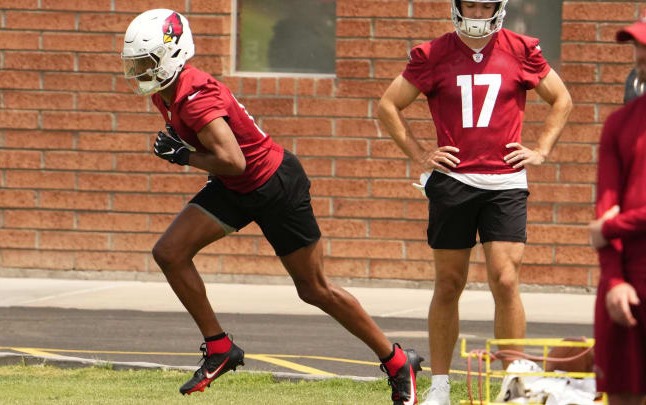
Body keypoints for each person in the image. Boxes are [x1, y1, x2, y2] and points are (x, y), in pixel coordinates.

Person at [120, 9, 423, 404]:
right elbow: (230, 166)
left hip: (274, 183)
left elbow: (234, 160)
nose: (141, 71)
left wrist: (184, 157)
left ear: (173, 54)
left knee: (314, 289)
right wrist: (194, 158)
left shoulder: (193, 98)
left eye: (147, 62)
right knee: (170, 252)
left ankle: (399, 361)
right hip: (236, 184)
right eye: (136, 64)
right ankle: (219, 349)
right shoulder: (170, 89)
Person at [376, 1, 572, 403]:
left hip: (506, 183)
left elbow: (562, 99)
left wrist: (542, 150)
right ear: (457, 6)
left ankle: (515, 383)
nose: (479, 12)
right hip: (453, 182)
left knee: (505, 278)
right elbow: (388, 105)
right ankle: (441, 387)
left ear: (498, 8)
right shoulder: (432, 54)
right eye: (472, 5)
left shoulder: (521, 49)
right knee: (448, 284)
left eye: (486, 5)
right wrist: (418, 154)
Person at [589, 5, 646, 403]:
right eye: (635, 44)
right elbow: (604, 204)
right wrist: (613, 280)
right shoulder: (618, 124)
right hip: (625, 285)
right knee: (622, 395)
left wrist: (613, 228)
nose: (640, 54)